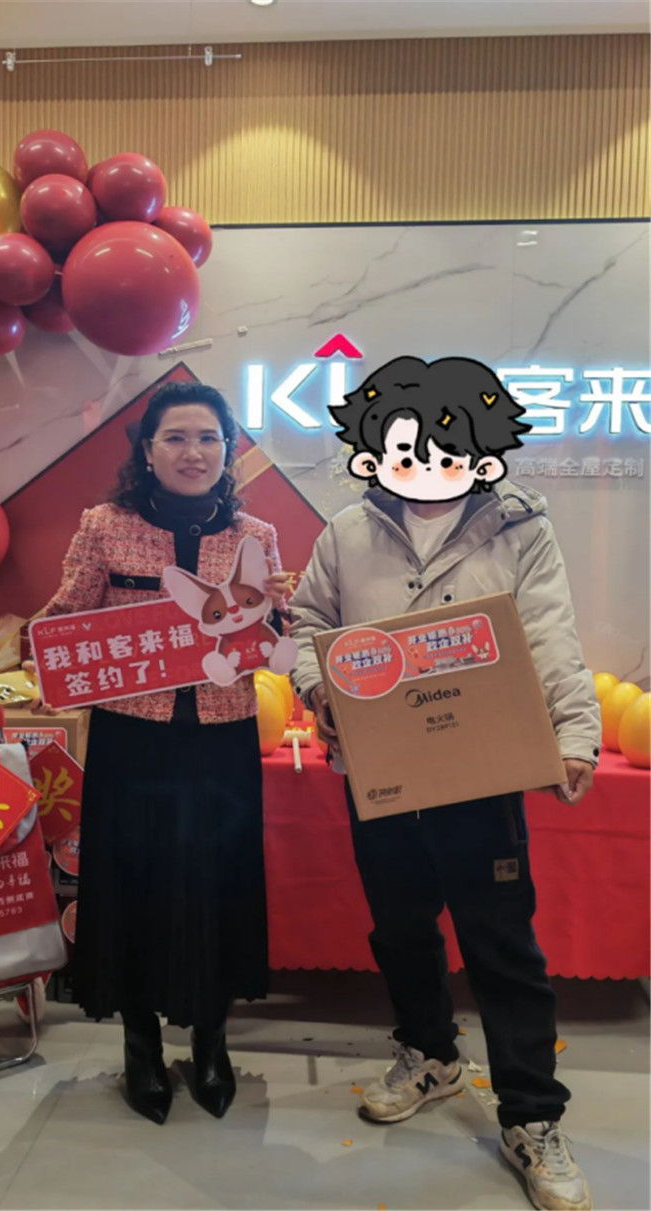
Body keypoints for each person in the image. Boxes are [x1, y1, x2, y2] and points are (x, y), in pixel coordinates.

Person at [289, 357, 600, 1211]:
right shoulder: (347, 530)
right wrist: (320, 686)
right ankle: (430, 1054)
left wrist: (575, 733)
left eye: (445, 445)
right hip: (382, 771)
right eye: (405, 446)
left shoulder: (518, 528)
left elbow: (550, 634)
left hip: (482, 770)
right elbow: (308, 621)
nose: (424, 460)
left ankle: (532, 1113)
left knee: (502, 942)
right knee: (400, 926)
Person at [31, 381, 289, 1124]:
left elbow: (273, 635)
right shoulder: (104, 526)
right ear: (147, 451)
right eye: (175, 437)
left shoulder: (256, 534)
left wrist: (283, 614)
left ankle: (211, 1041)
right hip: (132, 740)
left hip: (222, 735)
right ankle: (140, 1043)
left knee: (217, 880)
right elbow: (64, 619)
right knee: (133, 881)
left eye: (208, 437)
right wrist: (38, 658)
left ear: (228, 449)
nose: (192, 452)